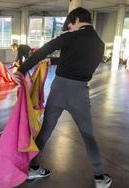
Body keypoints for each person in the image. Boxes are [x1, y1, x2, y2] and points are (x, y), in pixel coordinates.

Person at [13, 7, 111, 188]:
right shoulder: (100, 43)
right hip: (79, 92)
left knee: (46, 129)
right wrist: (54, 61)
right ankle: (100, 178)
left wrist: (21, 70)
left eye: (70, 25)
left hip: (58, 88)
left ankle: (33, 168)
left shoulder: (70, 37)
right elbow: (82, 61)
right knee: (88, 135)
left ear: (77, 20)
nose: (70, 28)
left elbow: (42, 51)